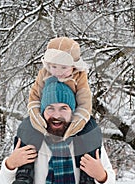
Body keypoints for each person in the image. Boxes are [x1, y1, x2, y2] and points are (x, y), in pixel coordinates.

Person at [13, 37, 102, 183]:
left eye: (63, 68)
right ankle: (24, 172)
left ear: (73, 66)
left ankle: (88, 174)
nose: (58, 72)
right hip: (43, 115)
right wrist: (36, 116)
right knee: (26, 127)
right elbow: (34, 96)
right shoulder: (44, 73)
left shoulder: (80, 77)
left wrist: (75, 124)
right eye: (54, 67)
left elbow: (85, 103)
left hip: (77, 117)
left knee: (91, 130)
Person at [0, 77, 116, 184]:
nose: (56, 115)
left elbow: (110, 178)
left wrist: (102, 176)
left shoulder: (88, 139)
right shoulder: (30, 139)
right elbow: (5, 181)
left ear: (72, 112)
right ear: (42, 112)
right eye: (50, 108)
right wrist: (10, 165)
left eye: (63, 108)